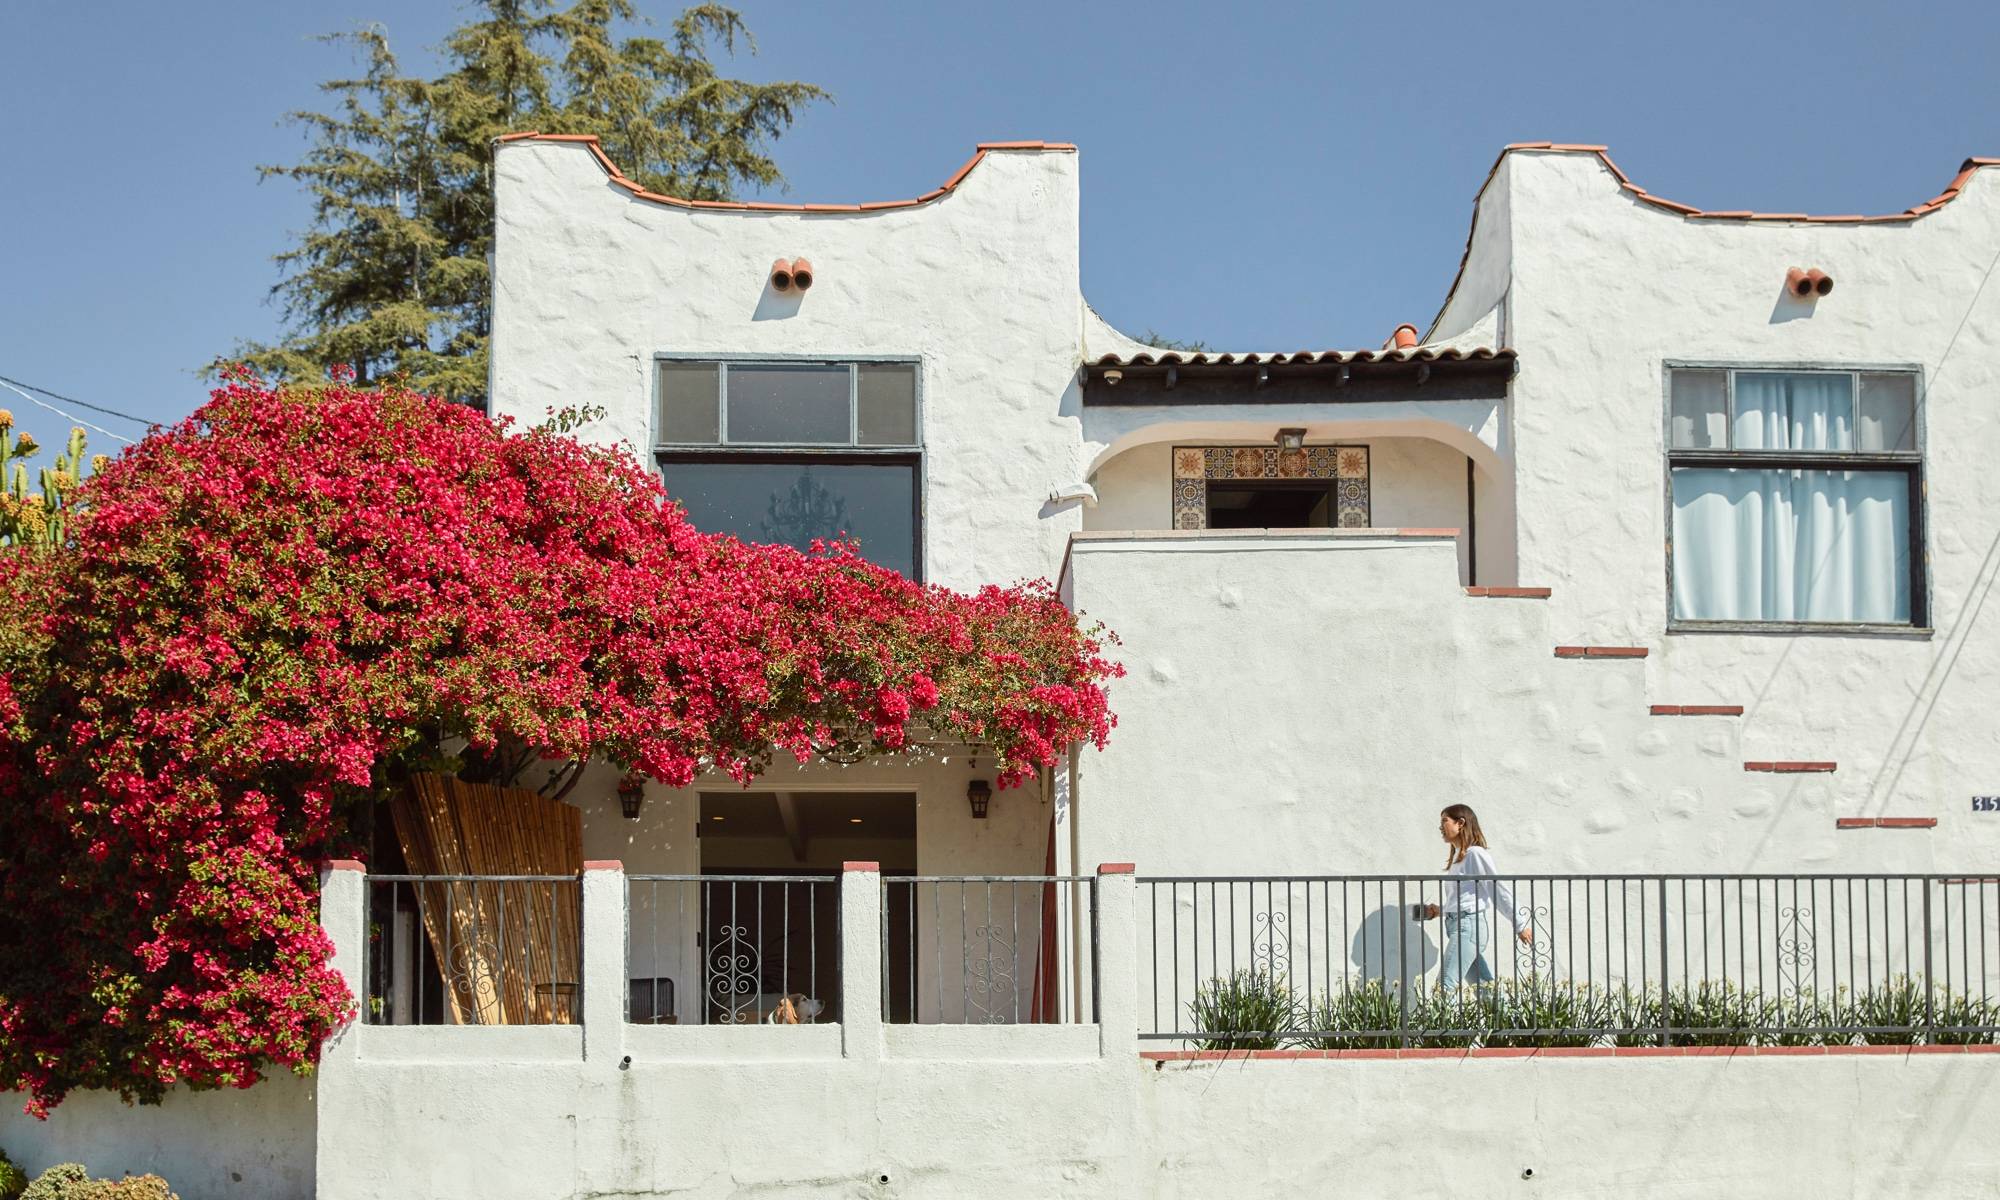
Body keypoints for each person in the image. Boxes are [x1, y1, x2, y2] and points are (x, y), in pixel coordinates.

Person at [1421, 804, 1531, 992]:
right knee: (1484, 988)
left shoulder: (1475, 854)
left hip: (1469, 928)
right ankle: (1512, 1022)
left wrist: (1519, 924)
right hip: (1458, 926)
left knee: (1444, 986)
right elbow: (1464, 899)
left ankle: (1445, 1023)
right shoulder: (1459, 858)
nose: (1441, 827)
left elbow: (1496, 888)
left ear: (1461, 823)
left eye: (1444, 821)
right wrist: (1440, 910)